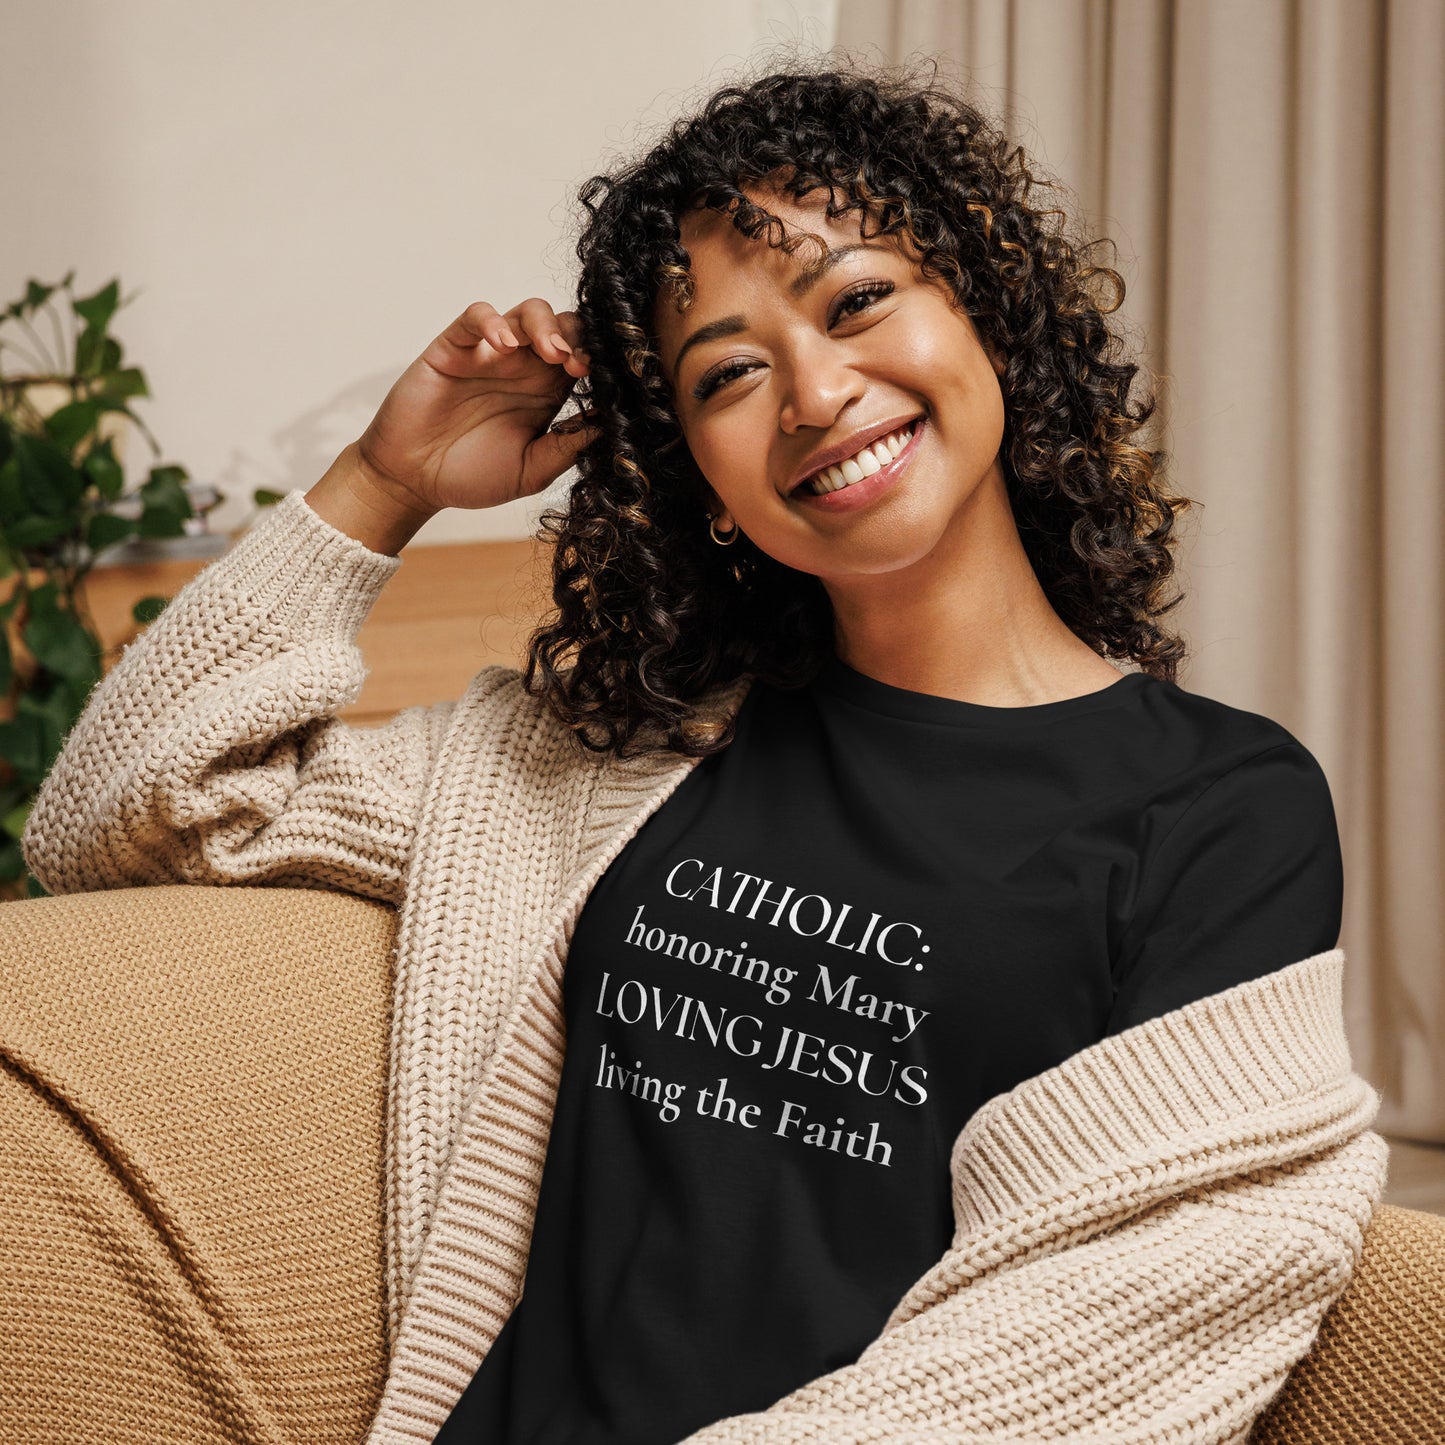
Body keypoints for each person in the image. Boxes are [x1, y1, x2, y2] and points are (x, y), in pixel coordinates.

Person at [17, 62, 1386, 1445]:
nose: (811, 389)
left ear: (985, 314)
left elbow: (1121, 1312)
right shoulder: (610, 761)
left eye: (857, 300)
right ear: (702, 480)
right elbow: (129, 815)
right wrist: (382, 483)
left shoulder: (1217, 805)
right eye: (728, 371)